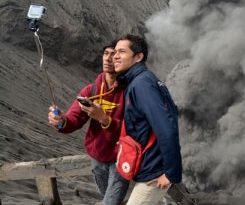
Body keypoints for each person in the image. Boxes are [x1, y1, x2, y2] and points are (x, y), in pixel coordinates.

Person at [48, 42, 129, 205]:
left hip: (121, 159)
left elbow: (135, 129)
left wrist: (104, 119)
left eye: (114, 54)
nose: (108, 58)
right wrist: (61, 121)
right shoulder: (91, 91)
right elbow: (73, 120)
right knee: (111, 200)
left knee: (109, 203)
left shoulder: (131, 92)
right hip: (97, 159)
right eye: (106, 53)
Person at [113, 34, 182, 205]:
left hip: (154, 173)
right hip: (148, 167)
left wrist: (171, 173)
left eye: (122, 52)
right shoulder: (140, 80)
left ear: (138, 57)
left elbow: (166, 128)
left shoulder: (141, 84)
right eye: (115, 52)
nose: (115, 56)